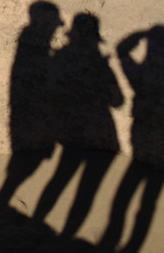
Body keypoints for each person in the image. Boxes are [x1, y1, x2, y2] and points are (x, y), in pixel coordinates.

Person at [100, 25, 164, 252]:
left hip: (144, 142)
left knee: (125, 198)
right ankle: (129, 245)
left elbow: (122, 50)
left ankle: (113, 242)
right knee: (146, 201)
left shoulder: (145, 74)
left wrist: (141, 35)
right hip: (159, 146)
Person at [32, 12, 124, 239]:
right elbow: (118, 100)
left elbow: (49, 90)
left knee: (59, 179)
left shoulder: (60, 59)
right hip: (96, 132)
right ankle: (66, 235)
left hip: (69, 130)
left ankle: (34, 223)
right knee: (87, 188)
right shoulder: (100, 65)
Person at [0, 0, 64, 207]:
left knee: (27, 162)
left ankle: (4, 197)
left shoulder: (32, 39)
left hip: (29, 105)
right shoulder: (32, 39)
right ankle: (3, 198)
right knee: (23, 165)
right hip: (28, 106)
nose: (54, 28)